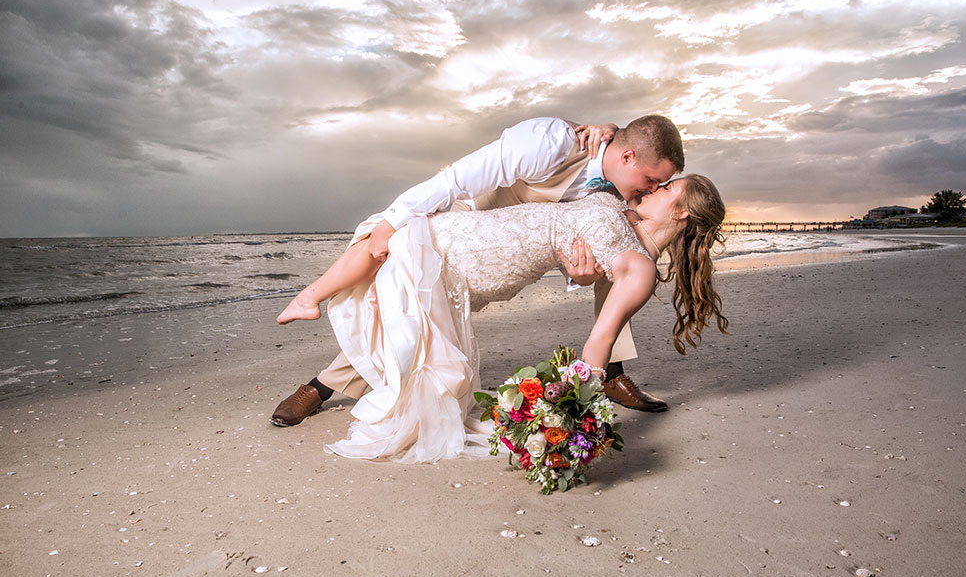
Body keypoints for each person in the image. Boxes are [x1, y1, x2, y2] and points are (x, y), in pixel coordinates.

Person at [277, 174, 727, 462]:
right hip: (467, 230)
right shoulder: (619, 208)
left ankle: (312, 324)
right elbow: (595, 185)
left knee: (390, 294)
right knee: (383, 280)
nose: (655, 187)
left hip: (473, 262)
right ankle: (312, 314)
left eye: (668, 189)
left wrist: (569, 413)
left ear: (682, 211)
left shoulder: (640, 268)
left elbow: (600, 339)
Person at [272, 115, 685, 427]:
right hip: (477, 223)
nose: (650, 191)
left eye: (659, 186)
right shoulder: (552, 142)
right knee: (406, 307)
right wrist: (392, 220)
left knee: (622, 252)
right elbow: (456, 178)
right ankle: (323, 385)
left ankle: (610, 371)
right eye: (651, 180)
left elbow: (578, 244)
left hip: (520, 249)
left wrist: (579, 278)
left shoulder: (619, 187)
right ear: (626, 155)